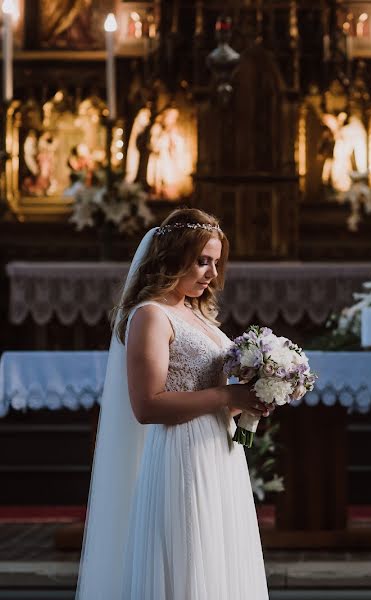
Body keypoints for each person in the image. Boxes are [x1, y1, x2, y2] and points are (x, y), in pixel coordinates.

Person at [76, 208, 270, 599]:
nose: (212, 273)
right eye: (202, 261)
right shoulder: (150, 315)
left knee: (219, 561)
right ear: (172, 257)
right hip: (181, 455)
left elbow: (207, 396)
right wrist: (226, 395)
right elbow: (147, 406)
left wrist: (250, 399)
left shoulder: (197, 315)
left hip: (219, 451)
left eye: (215, 262)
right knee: (188, 560)